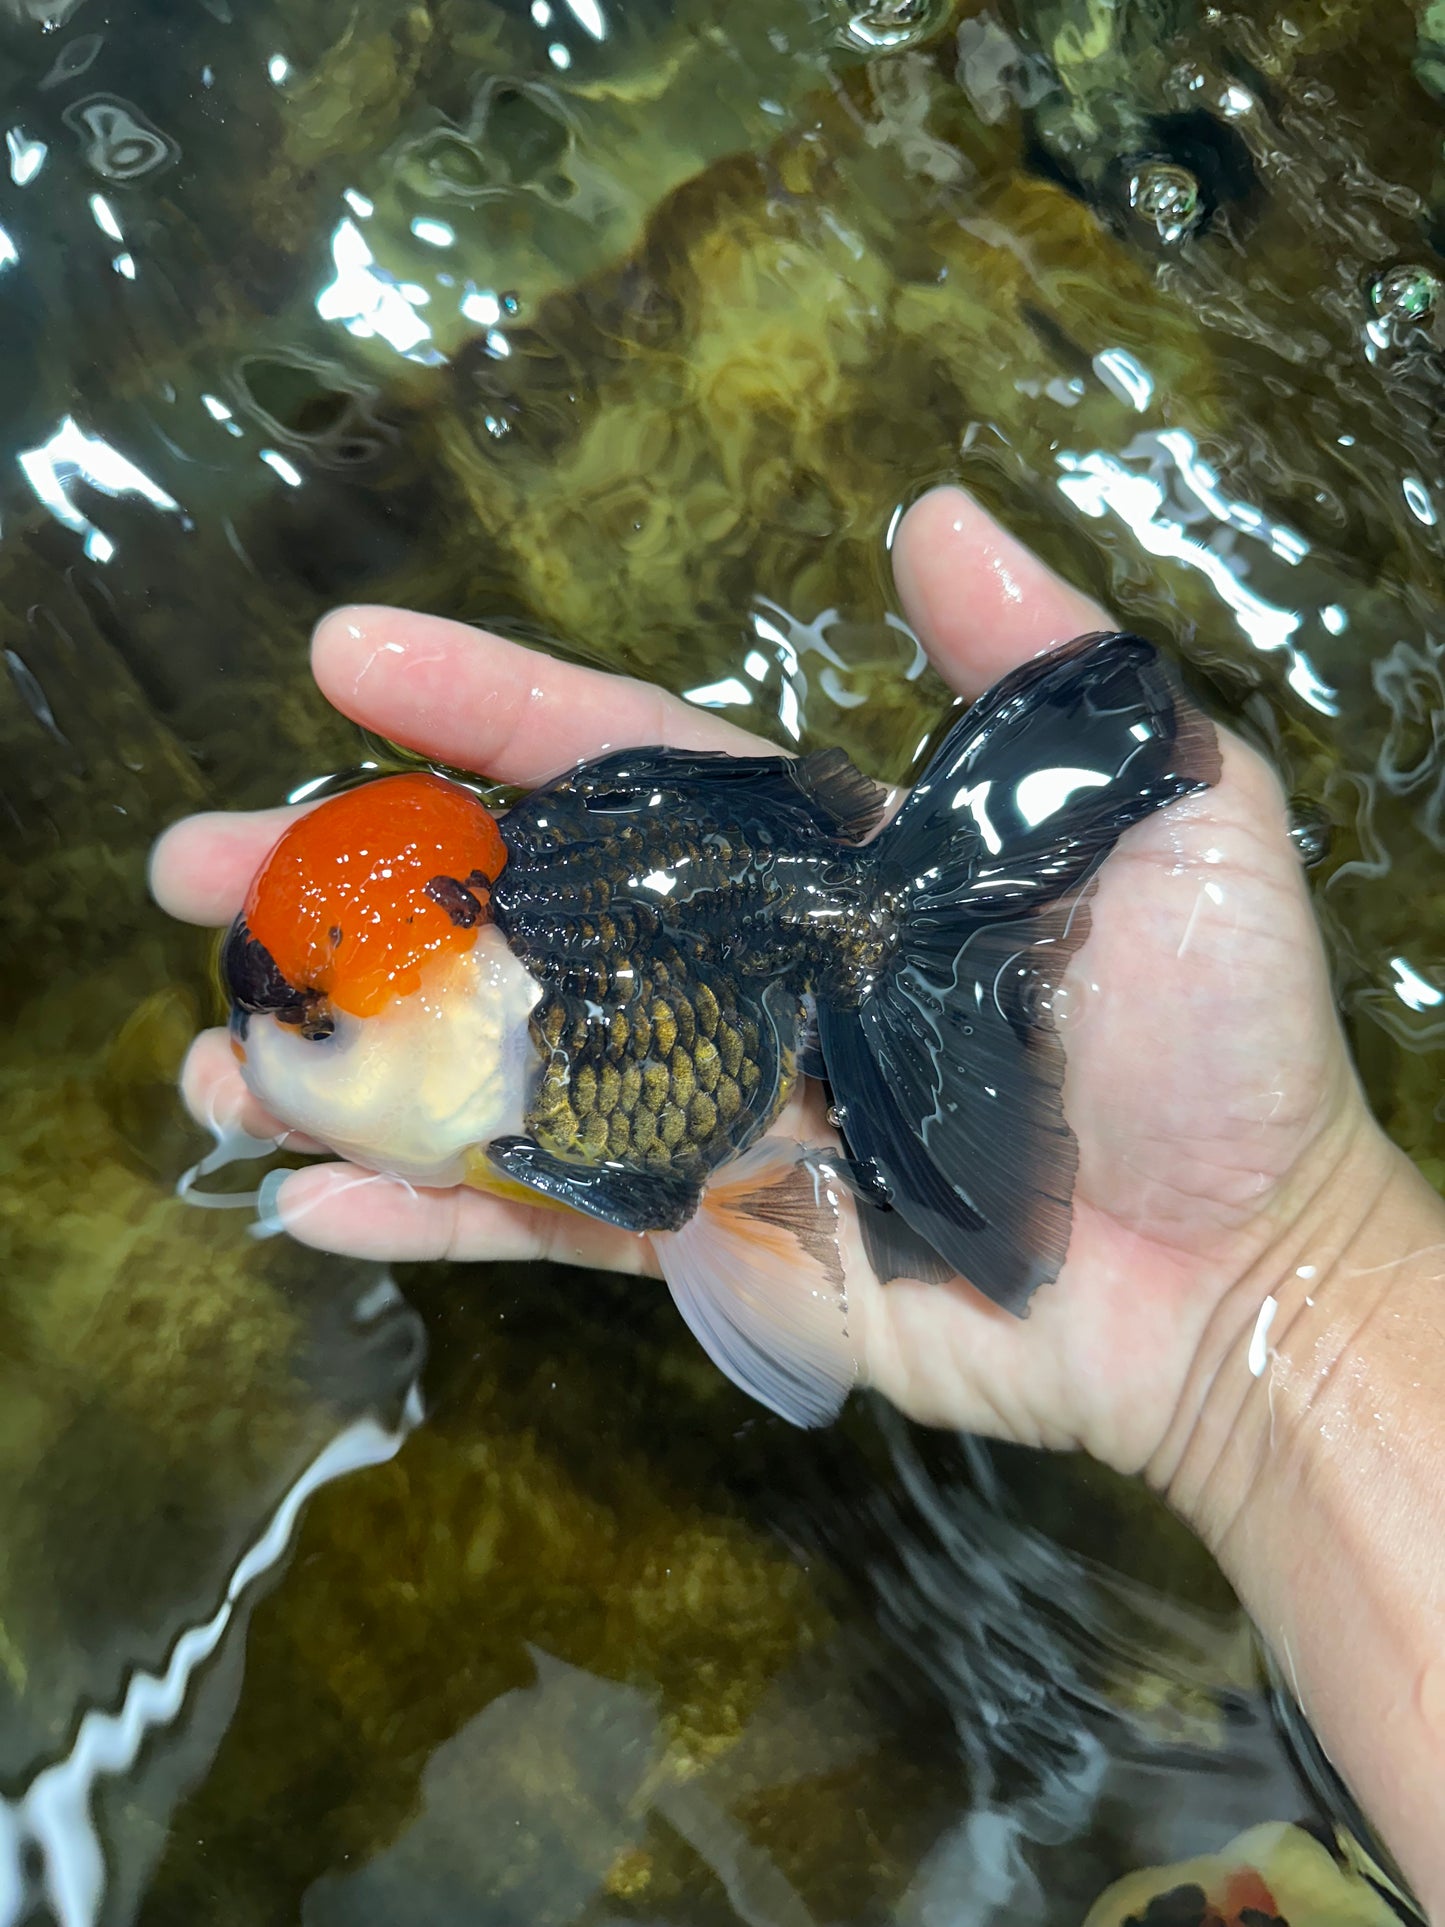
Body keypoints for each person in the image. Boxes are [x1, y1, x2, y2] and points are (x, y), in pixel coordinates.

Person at [150, 486, 1445, 1910]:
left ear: (465, 1005)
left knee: (682, 1174)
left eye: (323, 1036)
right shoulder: (509, 1038)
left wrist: (1278, 1269)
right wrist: (1281, 1290)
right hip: (763, 971)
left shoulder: (549, 1105)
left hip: (775, 984)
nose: (288, 1067)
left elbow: (656, 1185)